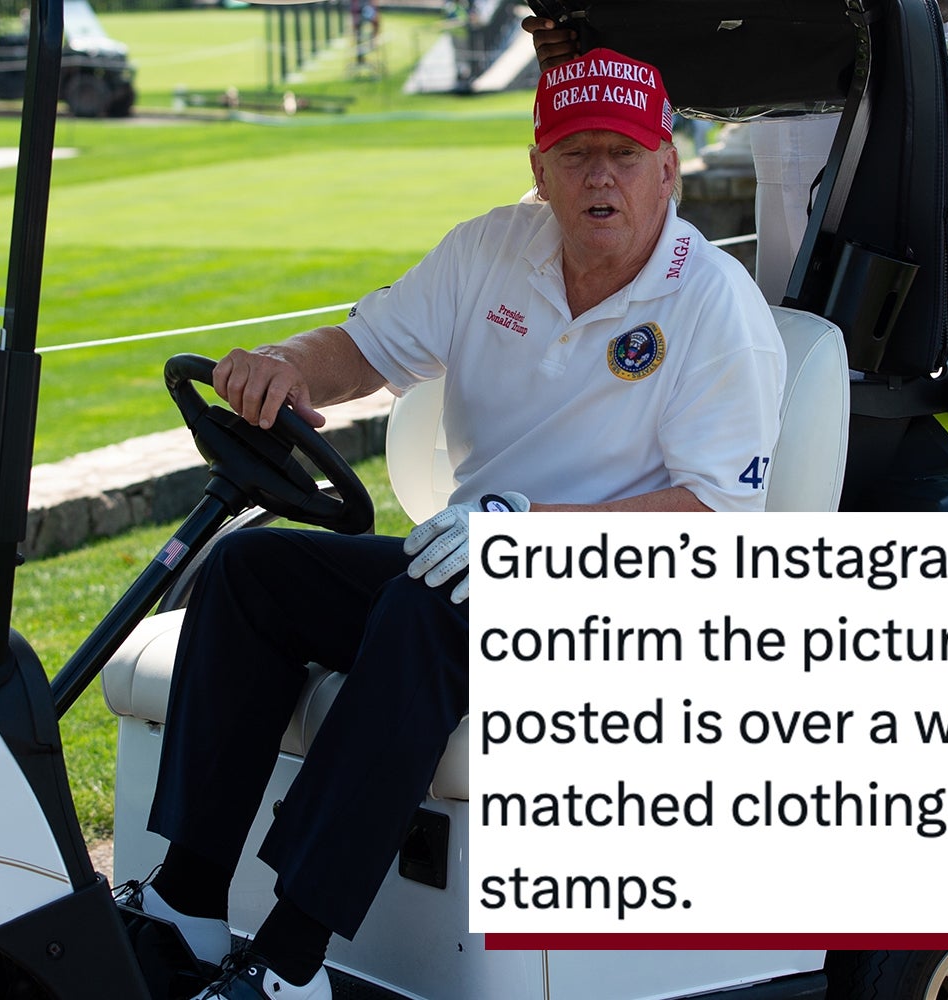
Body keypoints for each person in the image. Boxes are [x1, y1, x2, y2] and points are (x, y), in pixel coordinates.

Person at [138, 47, 786, 1000]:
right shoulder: (493, 249)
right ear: (538, 168)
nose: (598, 176)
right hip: (472, 560)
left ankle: (290, 958)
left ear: (667, 167)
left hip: (626, 599)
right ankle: (188, 907)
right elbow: (364, 347)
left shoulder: (713, 308)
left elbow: (716, 519)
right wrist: (286, 366)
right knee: (250, 576)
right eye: (574, 155)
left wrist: (529, 539)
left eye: (621, 152)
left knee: (425, 612)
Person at [525, 0, 948, 303]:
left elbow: (947, 12)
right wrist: (591, 42)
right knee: (793, 397)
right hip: (785, 175)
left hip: (922, 182)